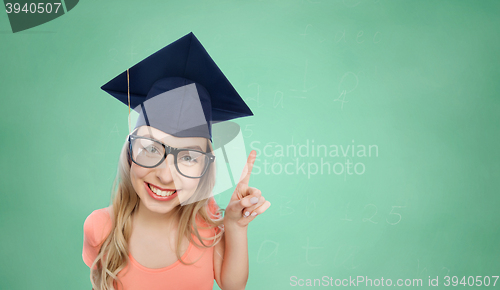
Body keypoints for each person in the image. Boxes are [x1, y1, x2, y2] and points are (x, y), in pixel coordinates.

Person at [82, 32, 271, 290]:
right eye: (150, 149)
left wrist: (235, 226)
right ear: (129, 153)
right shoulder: (101, 228)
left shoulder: (205, 219)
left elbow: (232, 285)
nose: (166, 176)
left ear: (205, 169)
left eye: (189, 157)